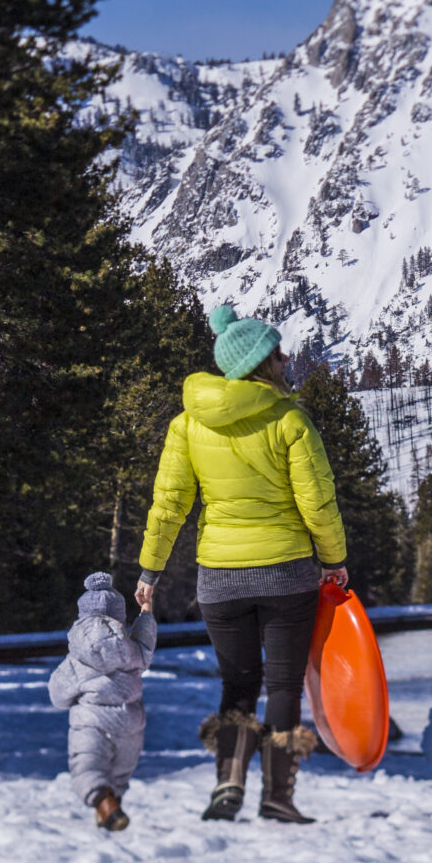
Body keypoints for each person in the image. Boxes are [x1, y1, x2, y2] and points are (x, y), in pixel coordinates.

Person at [135, 304, 350, 824]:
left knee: (237, 683)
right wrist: (334, 559)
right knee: (282, 685)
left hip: (220, 579)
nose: (286, 357)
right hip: (286, 574)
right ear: (261, 362)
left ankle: (227, 785)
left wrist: (149, 572)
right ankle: (278, 795)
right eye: (278, 351)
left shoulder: (187, 425)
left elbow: (169, 505)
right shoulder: (289, 419)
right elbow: (317, 502)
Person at [46, 571, 157, 831]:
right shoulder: (132, 650)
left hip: (92, 725)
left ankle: (106, 806)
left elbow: (57, 696)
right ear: (120, 617)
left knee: (88, 771)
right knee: (119, 776)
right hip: (131, 724)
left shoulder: (76, 661)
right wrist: (146, 610)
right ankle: (112, 808)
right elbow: (147, 640)